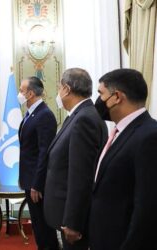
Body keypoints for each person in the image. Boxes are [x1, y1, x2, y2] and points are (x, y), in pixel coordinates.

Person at [89, 69, 157, 250]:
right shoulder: (119, 132)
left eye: (101, 94)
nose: (99, 101)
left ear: (117, 97)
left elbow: (147, 206)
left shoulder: (150, 135)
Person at [43, 68, 107, 250]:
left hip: (72, 218)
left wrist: (73, 221)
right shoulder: (80, 116)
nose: (58, 93)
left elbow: (81, 176)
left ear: (67, 89)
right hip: (64, 211)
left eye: (59, 88)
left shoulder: (84, 119)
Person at [17, 76, 59, 250]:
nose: (19, 93)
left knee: (43, 226)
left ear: (31, 93)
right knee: (37, 225)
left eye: (21, 90)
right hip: (29, 178)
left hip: (37, 182)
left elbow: (44, 153)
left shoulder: (44, 115)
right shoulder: (31, 113)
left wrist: (37, 184)